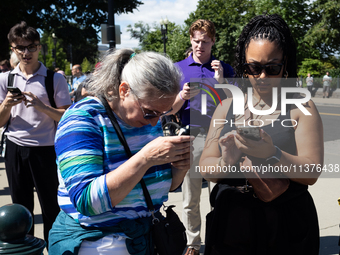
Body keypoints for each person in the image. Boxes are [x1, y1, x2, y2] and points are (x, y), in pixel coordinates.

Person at [48, 49, 193, 254]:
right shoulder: (83, 119)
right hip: (97, 239)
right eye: (150, 112)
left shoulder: (147, 116)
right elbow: (87, 201)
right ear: (124, 90)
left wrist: (180, 167)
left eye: (164, 113)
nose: (155, 121)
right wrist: (145, 158)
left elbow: (159, 187)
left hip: (143, 236)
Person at [199, 14, 323, 254]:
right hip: (231, 226)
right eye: (254, 67)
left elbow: (312, 171)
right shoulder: (226, 107)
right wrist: (226, 160)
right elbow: (206, 167)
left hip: (285, 227)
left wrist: (273, 153)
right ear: (243, 65)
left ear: (286, 64)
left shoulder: (301, 107)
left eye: (272, 67)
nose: (262, 76)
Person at [0, 21, 71, 245]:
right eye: (20, 47)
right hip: (15, 147)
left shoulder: (54, 79)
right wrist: (7, 105)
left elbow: (66, 117)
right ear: (12, 49)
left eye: (31, 47)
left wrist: (42, 107)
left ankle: (54, 247)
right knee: (21, 206)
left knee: (51, 205)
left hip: (46, 149)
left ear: (39, 47)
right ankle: (26, 248)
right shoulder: (5, 79)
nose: (26, 52)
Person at [171, 19, 234, 255]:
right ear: (191, 40)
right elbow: (170, 109)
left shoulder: (223, 68)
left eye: (205, 42)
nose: (200, 46)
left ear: (213, 41)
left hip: (220, 136)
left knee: (220, 195)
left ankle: (219, 240)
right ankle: (193, 243)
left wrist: (222, 82)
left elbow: (237, 104)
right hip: (192, 136)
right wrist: (182, 96)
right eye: (196, 41)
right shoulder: (178, 69)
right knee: (191, 196)